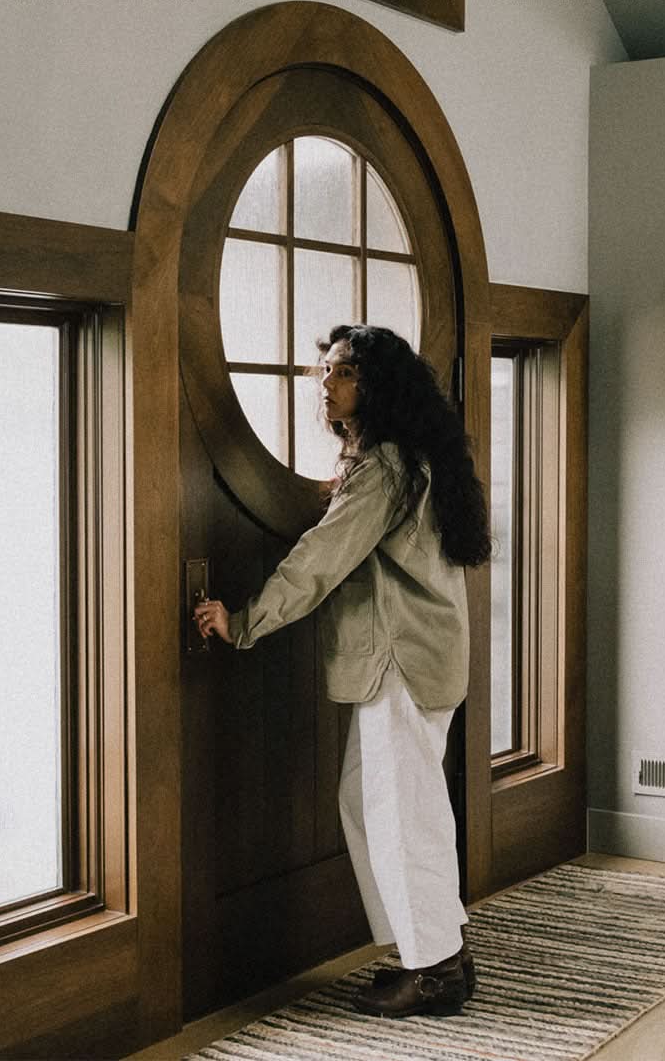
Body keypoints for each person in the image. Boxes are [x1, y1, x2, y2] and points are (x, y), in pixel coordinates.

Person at [195, 323, 491, 1018]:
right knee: (374, 803)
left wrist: (244, 622)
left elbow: (322, 559)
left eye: (345, 373)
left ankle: (436, 972)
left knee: (398, 816)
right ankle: (436, 952)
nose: (327, 384)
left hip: (400, 662)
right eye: (324, 371)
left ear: (377, 386)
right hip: (419, 657)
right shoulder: (399, 459)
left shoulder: (386, 466)